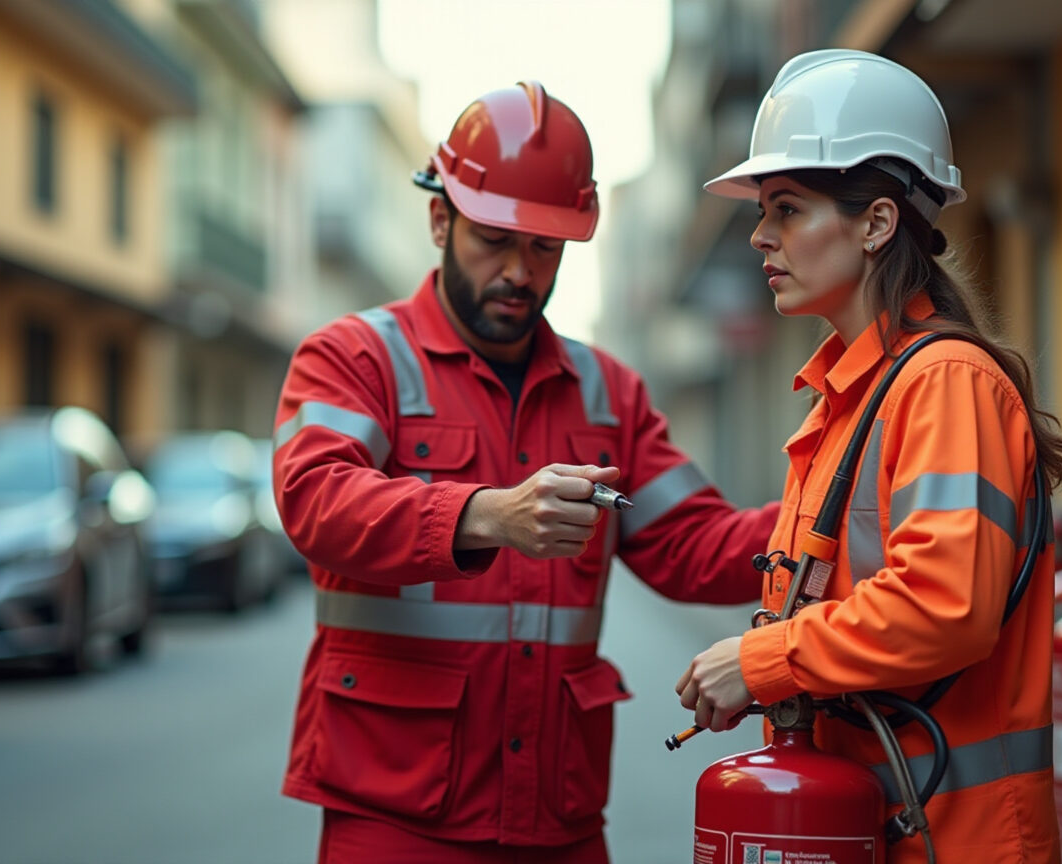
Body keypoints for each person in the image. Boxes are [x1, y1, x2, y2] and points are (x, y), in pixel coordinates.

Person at [272, 81, 779, 864]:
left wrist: (835, 516)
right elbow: (315, 502)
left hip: (556, 814)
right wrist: (486, 516)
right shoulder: (354, 358)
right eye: (493, 240)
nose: (519, 270)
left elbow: (696, 544)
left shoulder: (609, 393)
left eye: (544, 247)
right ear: (440, 219)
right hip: (393, 814)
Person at [673, 50, 1062, 863]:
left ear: (877, 223)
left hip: (955, 841)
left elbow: (942, 608)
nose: (761, 235)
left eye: (787, 209)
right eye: (765, 211)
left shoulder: (944, 383)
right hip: (875, 826)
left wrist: (762, 662)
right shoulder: (853, 396)